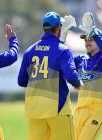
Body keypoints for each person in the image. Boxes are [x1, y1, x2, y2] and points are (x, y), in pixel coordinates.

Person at [18, 11, 83, 140]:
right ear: (59, 27)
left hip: (35, 110)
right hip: (58, 109)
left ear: (44, 28)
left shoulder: (29, 51)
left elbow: (21, 81)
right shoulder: (62, 50)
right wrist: (79, 84)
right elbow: (71, 76)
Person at [72, 12, 102, 140]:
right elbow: (60, 58)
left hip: (98, 110)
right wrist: (61, 39)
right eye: (86, 39)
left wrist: (95, 31)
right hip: (80, 110)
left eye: (92, 39)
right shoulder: (80, 60)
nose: (87, 42)